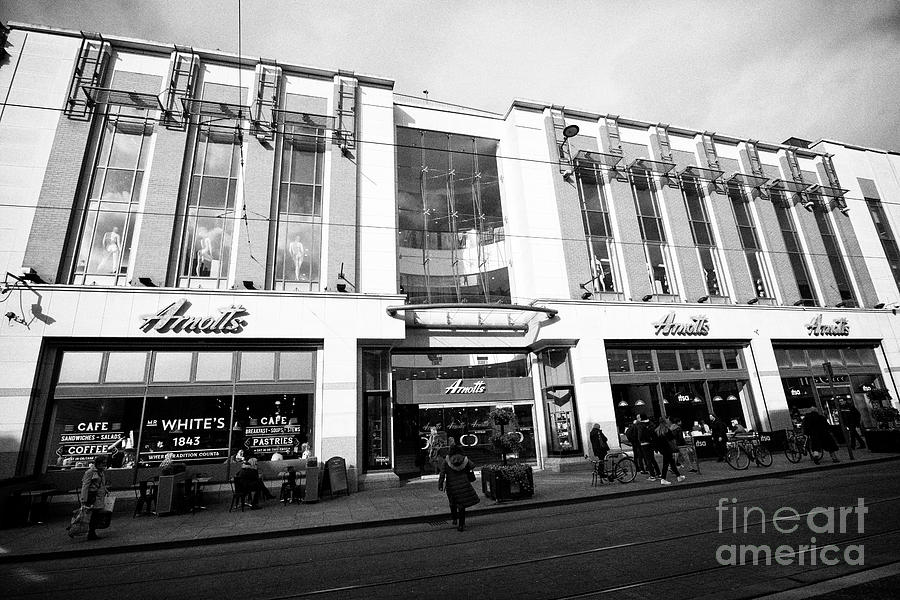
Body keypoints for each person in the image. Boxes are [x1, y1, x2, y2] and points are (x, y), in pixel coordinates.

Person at [437, 447, 479, 531]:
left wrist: (440, 484)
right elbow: (473, 465)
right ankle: (461, 525)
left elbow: (442, 473)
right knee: (461, 505)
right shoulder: (465, 459)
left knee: (452, 503)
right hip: (464, 484)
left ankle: (454, 518)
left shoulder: (447, 460)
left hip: (451, 486)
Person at [80, 454, 110, 541]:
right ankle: (91, 533)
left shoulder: (101, 472)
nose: (104, 465)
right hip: (92, 497)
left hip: (99, 497)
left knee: (96, 515)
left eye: (105, 463)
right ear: (98, 463)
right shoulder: (90, 472)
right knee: (93, 515)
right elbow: (85, 486)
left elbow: (101, 484)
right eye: (103, 463)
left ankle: (92, 532)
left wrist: (105, 490)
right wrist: (83, 500)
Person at [654, 418, 684, 485]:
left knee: (671, 462)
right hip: (668, 448)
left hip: (662, 449)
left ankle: (678, 476)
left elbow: (655, 441)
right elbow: (672, 438)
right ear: (665, 422)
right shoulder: (667, 430)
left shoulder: (656, 431)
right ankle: (663, 478)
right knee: (667, 464)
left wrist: (657, 449)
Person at [637, 414, 660, 479]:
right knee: (653, 459)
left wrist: (640, 440)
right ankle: (659, 473)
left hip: (644, 444)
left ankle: (652, 475)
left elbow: (640, 435)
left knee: (648, 460)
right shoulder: (651, 423)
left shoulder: (640, 425)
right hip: (651, 443)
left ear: (641, 418)